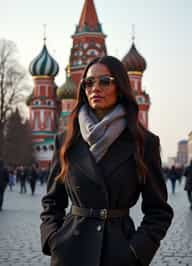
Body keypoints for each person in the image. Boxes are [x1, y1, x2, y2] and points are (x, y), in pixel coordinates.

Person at [40, 55, 174, 266]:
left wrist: (135, 251)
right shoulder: (66, 140)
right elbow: (52, 201)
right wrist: (53, 240)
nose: (95, 88)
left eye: (105, 81)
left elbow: (159, 211)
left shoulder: (143, 143)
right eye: (89, 82)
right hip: (70, 252)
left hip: (119, 252)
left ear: (120, 87)